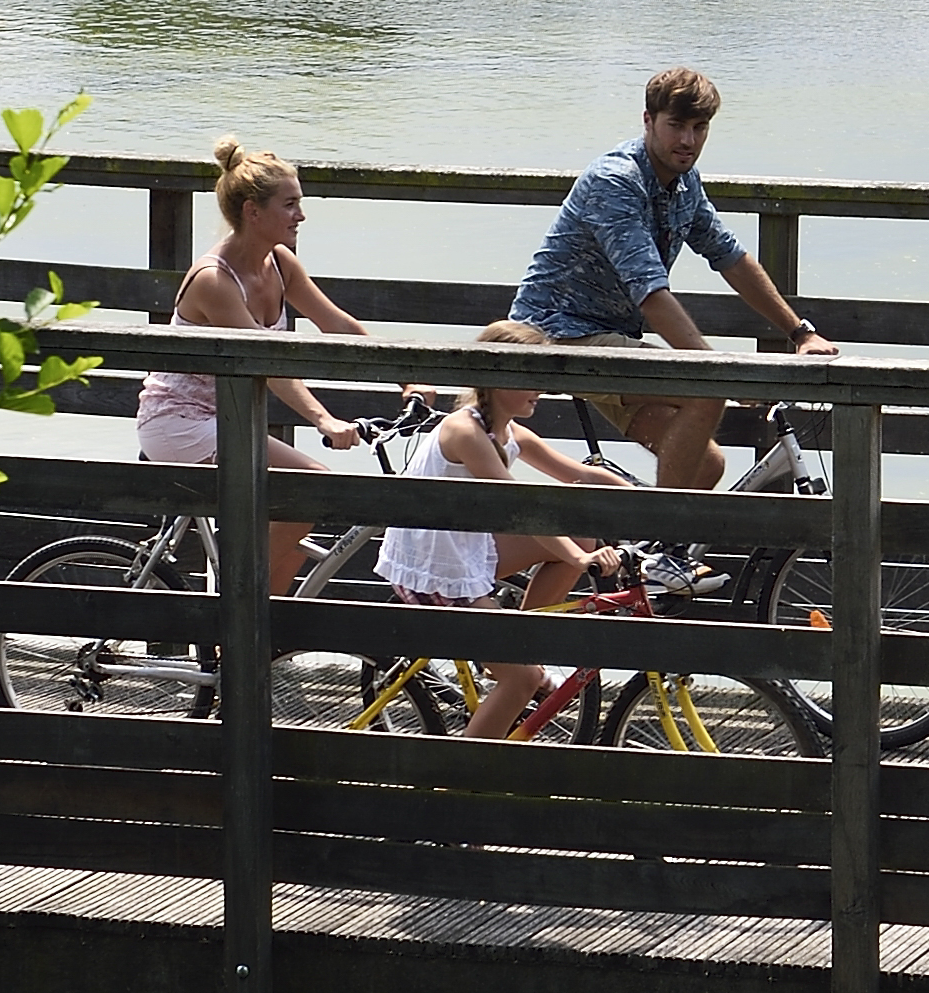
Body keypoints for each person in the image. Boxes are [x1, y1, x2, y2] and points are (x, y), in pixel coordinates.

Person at [503, 65, 832, 492]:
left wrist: (801, 332)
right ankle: (666, 541)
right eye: (675, 125)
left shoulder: (683, 182)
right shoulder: (616, 182)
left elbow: (729, 256)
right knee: (706, 392)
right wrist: (719, 371)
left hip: (608, 337)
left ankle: (652, 550)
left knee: (706, 464)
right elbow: (651, 295)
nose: (687, 141)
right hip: (557, 335)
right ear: (648, 120)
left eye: (699, 127)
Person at [138, 138, 375, 594]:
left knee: (297, 510)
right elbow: (266, 366)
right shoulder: (214, 280)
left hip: (231, 419)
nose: (301, 216)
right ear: (253, 211)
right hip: (179, 423)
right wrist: (324, 419)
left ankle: (260, 641)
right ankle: (238, 613)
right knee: (313, 489)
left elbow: (335, 322)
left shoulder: (280, 262)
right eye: (290, 205)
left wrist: (408, 375)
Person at [378, 321, 636, 739]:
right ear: (496, 377)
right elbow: (524, 508)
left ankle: (515, 646)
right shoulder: (466, 432)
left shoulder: (509, 431)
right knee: (522, 680)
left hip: (466, 549)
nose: (540, 388)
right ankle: (460, 782)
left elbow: (580, 475)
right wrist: (579, 560)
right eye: (527, 376)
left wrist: (656, 507)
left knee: (582, 533)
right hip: (433, 568)